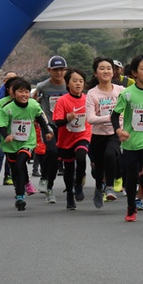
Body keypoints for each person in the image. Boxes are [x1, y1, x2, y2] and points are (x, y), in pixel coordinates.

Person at [112, 55, 143, 222]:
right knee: (131, 179)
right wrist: (118, 131)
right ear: (134, 73)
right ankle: (131, 208)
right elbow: (114, 116)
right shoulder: (127, 94)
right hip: (131, 142)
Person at [0, 78, 52, 212]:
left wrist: (47, 132)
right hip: (11, 145)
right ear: (14, 93)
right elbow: (2, 126)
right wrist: (7, 136)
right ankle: (19, 191)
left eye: (26, 92)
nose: (24, 95)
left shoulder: (33, 105)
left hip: (28, 141)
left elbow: (40, 118)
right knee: (15, 170)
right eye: (20, 92)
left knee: (20, 164)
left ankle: (21, 197)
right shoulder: (7, 108)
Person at [86, 58, 125, 208]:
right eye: (101, 68)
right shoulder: (92, 93)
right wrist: (110, 117)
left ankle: (109, 187)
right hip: (98, 136)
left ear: (113, 71)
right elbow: (90, 118)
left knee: (110, 154)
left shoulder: (120, 90)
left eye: (109, 68)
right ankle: (98, 187)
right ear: (95, 73)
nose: (106, 71)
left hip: (115, 132)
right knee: (99, 167)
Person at [52, 68, 92, 210]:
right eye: (74, 81)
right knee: (68, 169)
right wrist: (67, 118)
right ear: (67, 83)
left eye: (81, 81)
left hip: (83, 135)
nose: (78, 84)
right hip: (66, 139)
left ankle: (79, 185)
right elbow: (57, 122)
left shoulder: (88, 99)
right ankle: (70, 193)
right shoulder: (62, 101)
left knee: (81, 157)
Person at [34, 55, 69, 204]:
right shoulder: (42, 86)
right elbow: (34, 101)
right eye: (55, 70)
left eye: (62, 70)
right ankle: (47, 185)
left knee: (58, 158)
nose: (59, 73)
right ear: (49, 70)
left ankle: (47, 181)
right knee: (52, 151)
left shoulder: (69, 85)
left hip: (65, 125)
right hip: (48, 124)